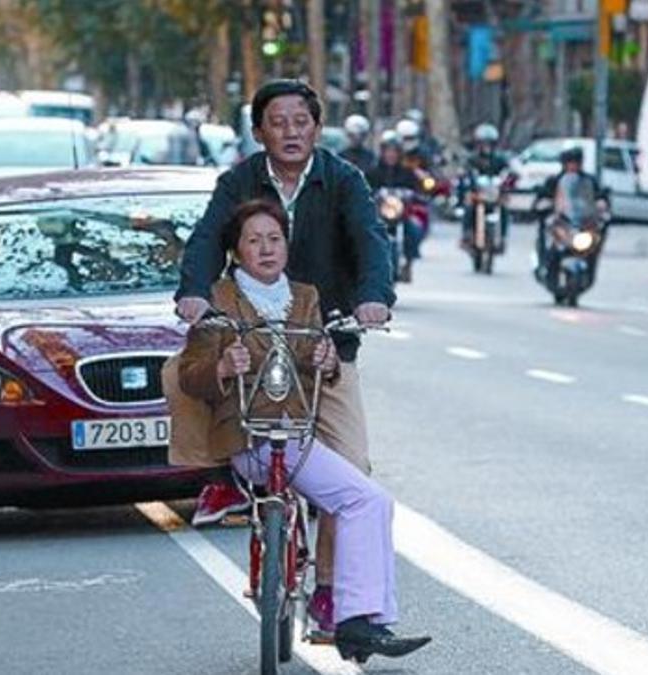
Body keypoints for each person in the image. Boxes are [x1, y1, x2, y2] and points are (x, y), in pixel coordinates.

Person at [175, 79, 394, 638]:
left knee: (354, 471)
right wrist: (194, 292)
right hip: (254, 360)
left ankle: (328, 590)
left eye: (302, 121)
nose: (291, 131)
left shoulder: (343, 181)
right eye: (278, 122)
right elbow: (204, 240)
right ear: (258, 132)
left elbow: (371, 243)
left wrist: (374, 298)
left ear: (317, 129)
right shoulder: (238, 182)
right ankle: (238, 490)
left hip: (324, 350)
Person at [174, 199, 430, 662]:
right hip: (248, 437)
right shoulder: (219, 299)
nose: (266, 249)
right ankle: (352, 616)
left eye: (275, 239)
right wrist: (223, 366)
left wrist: (327, 362)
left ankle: (353, 617)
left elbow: (318, 365)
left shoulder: (306, 297)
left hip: (296, 431)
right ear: (236, 250)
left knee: (367, 497)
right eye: (254, 240)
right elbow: (189, 374)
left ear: (287, 246)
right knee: (360, 498)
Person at [536, 147, 600, 294]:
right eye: (570, 163)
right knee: (549, 240)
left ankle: (589, 271)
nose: (573, 166)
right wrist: (544, 203)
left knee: (594, 242)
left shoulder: (589, 181)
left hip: (581, 223)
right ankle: (545, 267)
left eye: (576, 163)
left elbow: (599, 196)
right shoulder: (555, 181)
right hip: (561, 223)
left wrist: (602, 204)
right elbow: (542, 195)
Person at [366, 131, 422, 282]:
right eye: (388, 151)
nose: (391, 154)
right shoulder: (373, 171)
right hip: (378, 215)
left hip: (401, 215)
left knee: (415, 229)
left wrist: (414, 194)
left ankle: (408, 264)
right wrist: (373, 194)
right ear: (382, 152)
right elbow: (364, 188)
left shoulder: (407, 172)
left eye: (394, 151)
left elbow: (417, 189)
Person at [457, 123, 509, 250]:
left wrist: (508, 177)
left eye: (489, 143)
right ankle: (466, 234)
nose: (486, 146)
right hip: (477, 192)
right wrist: (464, 174)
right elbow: (464, 171)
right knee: (469, 207)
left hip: (493, 192)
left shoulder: (499, 159)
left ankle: (502, 236)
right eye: (483, 143)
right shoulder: (472, 158)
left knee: (504, 208)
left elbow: (508, 170)